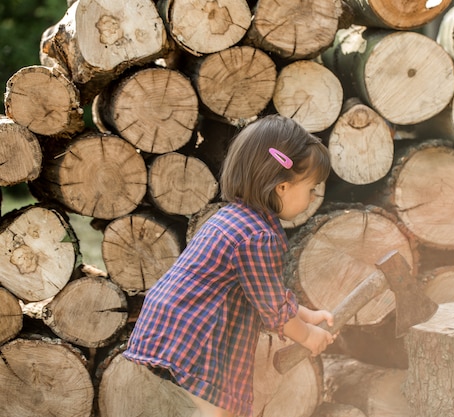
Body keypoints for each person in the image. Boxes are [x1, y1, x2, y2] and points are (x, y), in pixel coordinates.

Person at [123, 114, 336, 417]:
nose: (314, 196)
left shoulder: (237, 218)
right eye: (312, 188)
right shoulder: (257, 236)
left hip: (176, 323)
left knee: (218, 412)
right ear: (283, 187)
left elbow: (266, 292)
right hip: (193, 333)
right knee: (220, 412)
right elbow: (273, 309)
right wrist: (308, 336)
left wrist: (307, 315)